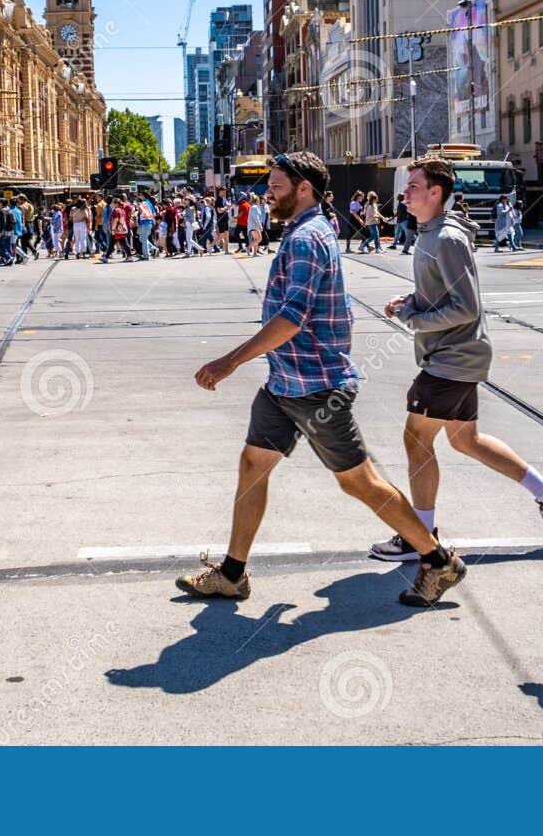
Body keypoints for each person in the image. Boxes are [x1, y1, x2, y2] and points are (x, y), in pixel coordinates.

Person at [179, 151, 466, 608]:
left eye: (275, 186)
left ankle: (437, 560)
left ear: (304, 188)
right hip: (285, 381)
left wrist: (229, 362)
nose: (268, 193)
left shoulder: (308, 238)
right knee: (254, 465)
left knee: (359, 481)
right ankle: (233, 573)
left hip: (316, 386)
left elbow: (293, 317)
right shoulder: (301, 232)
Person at [370, 157, 543, 562]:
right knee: (466, 440)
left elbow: (467, 306)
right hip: (454, 354)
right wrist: (411, 301)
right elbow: (444, 294)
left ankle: (421, 536)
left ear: (435, 192)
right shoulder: (431, 234)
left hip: (452, 356)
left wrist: (413, 316)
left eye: (413, 186)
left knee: (416, 438)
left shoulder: (446, 238)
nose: (405, 192)